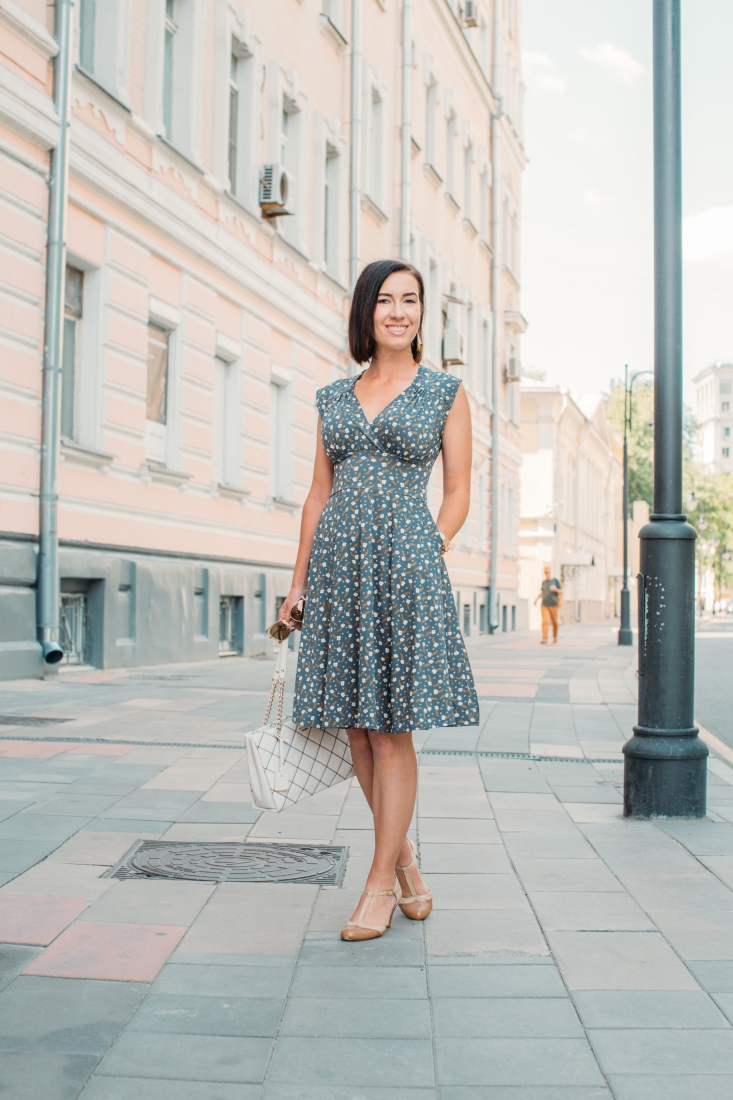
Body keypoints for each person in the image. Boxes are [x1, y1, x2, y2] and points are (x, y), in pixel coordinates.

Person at [279, 259, 479, 942]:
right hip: (337, 573)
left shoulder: (444, 393)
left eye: (411, 300)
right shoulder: (333, 397)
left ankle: (375, 887)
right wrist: (298, 582)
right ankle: (406, 864)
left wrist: (433, 546)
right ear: (366, 312)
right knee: (357, 730)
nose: (398, 311)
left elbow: (456, 492)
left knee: (391, 729)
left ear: (422, 313)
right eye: (385, 300)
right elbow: (317, 493)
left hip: (406, 569)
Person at [538, 566, 562, 644]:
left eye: (548, 572)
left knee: (555, 622)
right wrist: (538, 597)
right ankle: (544, 638)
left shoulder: (555, 581)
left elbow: (561, 591)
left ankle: (555, 636)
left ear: (550, 572)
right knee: (545, 621)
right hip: (544, 605)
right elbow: (543, 592)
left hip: (554, 605)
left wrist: (556, 590)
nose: (547, 574)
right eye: (545, 572)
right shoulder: (544, 582)